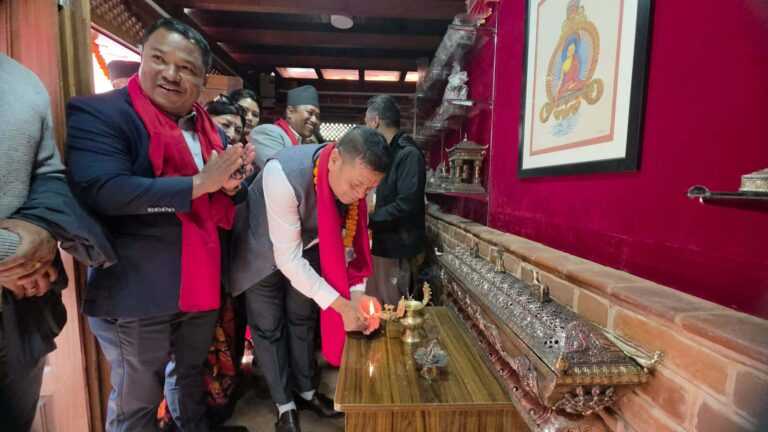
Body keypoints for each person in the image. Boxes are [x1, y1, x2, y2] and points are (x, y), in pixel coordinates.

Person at [66, 18, 255, 432]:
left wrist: (230, 186)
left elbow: (229, 193)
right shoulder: (102, 113)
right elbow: (103, 191)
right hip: (138, 288)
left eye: (186, 68)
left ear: (202, 81)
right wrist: (199, 184)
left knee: (189, 379)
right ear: (142, 59)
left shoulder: (211, 130)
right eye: (159, 59)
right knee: (137, 401)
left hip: (200, 282)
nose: (171, 74)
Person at [229, 126, 391, 432]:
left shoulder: (355, 188)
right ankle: (284, 406)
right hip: (260, 249)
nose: (361, 195)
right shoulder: (283, 173)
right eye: (357, 185)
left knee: (303, 318)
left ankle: (305, 392)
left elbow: (351, 244)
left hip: (309, 247)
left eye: (370, 189)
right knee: (269, 328)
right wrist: (341, 306)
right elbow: (288, 260)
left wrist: (356, 293)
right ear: (335, 159)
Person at [0, 54, 115, 432]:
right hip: (26, 271)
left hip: (20, 307)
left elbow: (48, 172)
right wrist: (14, 252)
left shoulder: (23, 81)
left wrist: (41, 227)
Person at [364, 95, 427, 306]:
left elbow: (406, 205)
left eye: (367, 122)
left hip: (398, 247)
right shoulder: (389, 153)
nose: (367, 129)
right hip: (384, 244)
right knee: (376, 303)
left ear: (375, 121)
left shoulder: (408, 154)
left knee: (395, 306)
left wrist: (369, 219)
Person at [249, 85, 320, 168]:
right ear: (290, 112)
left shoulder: (304, 142)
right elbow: (279, 170)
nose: (314, 120)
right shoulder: (267, 133)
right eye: (309, 113)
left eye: (317, 116)